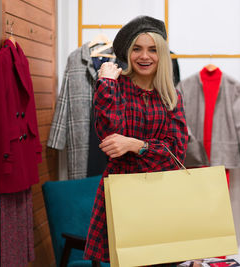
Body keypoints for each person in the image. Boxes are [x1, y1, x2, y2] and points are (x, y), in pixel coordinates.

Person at [83, 16, 188, 263]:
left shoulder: (172, 97)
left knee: (164, 261)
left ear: (162, 54)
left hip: (163, 192)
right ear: (128, 53)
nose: (144, 56)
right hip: (123, 192)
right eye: (137, 49)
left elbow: (177, 154)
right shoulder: (114, 87)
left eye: (152, 49)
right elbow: (110, 137)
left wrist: (135, 145)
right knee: (126, 260)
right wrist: (106, 83)